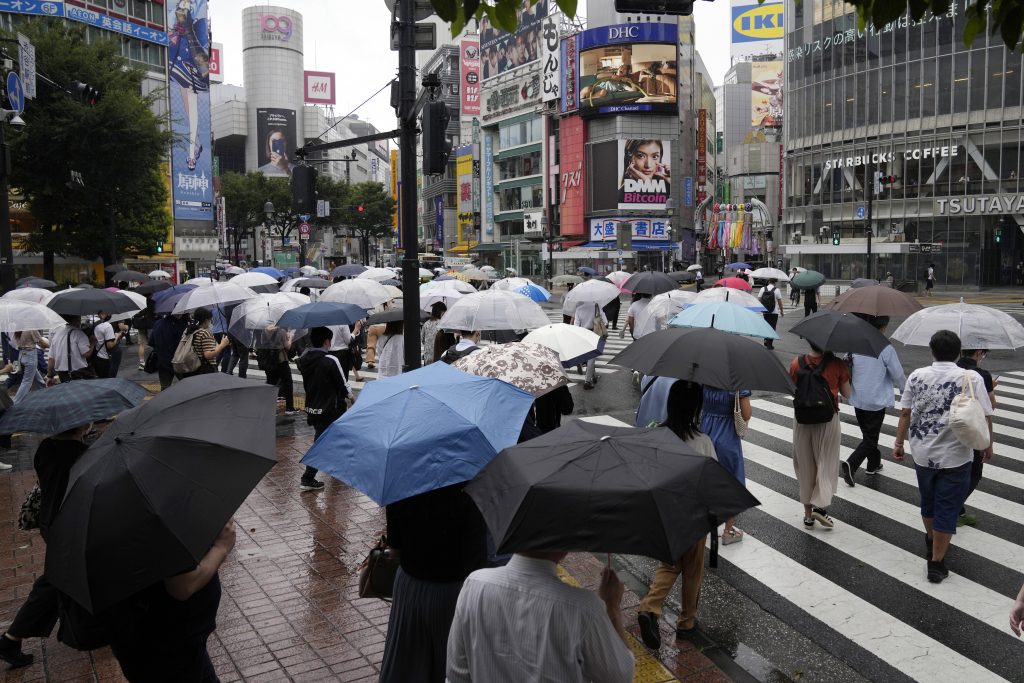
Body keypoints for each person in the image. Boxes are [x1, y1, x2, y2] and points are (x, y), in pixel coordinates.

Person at [893, 330, 992, 583]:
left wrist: (898, 443)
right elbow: (985, 414)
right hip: (957, 455)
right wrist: (988, 444)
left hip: (923, 452)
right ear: (958, 352)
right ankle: (936, 563)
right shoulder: (972, 377)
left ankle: (930, 538)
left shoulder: (917, 376)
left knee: (928, 502)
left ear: (932, 351)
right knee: (947, 507)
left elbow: (905, 412)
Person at [446, 551, 634, 682]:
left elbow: (456, 675)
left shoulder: (475, 584)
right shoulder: (584, 608)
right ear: (564, 549)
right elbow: (620, 676)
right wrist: (612, 608)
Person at [0, 422, 92, 669]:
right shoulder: (81, 454)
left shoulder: (45, 448)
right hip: (72, 525)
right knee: (54, 581)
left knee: (69, 576)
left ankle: (86, 627)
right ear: (82, 425)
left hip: (51, 521)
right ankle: (11, 639)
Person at [637, 380, 719, 650]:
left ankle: (650, 607)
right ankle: (687, 622)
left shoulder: (657, 436)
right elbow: (713, 480)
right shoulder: (703, 442)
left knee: (670, 564)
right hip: (693, 515)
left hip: (665, 513)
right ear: (696, 408)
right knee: (693, 568)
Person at [380, 483, 490, 683]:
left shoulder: (402, 489)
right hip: (451, 593)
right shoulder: (470, 497)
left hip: (409, 588)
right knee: (449, 662)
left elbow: (394, 551)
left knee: (406, 659)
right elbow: (477, 563)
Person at [106, 520, 235, 682]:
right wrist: (221, 547)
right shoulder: (160, 518)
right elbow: (183, 586)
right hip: (165, 649)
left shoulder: (147, 509)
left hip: (180, 642)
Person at [789, 341, 851, 529]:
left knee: (805, 465)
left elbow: (793, 389)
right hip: (827, 420)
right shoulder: (838, 364)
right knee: (825, 462)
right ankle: (820, 507)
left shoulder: (796, 363)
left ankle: (808, 515)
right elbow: (847, 394)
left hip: (802, 421)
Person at [841, 316, 906, 486]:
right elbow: (898, 373)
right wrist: (905, 391)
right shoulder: (885, 347)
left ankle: (873, 464)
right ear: (883, 326)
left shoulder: (855, 345)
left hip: (857, 398)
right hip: (875, 400)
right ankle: (852, 464)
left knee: (868, 434)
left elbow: (845, 364)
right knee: (870, 438)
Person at [296, 327, 351, 492]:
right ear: (327, 341)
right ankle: (308, 477)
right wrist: (351, 397)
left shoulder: (305, 359)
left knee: (330, 436)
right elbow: (342, 384)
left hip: (313, 407)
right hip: (329, 408)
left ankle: (337, 465)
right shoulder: (330, 360)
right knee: (320, 443)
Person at [701, 385, 751, 543]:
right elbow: (747, 413)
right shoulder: (736, 384)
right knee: (730, 482)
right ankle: (728, 531)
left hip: (706, 433)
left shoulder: (704, 381)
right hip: (727, 437)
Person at [955, 347, 996, 527]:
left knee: (955, 470)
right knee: (974, 473)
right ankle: (953, 509)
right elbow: (989, 408)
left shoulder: (953, 368)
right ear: (978, 353)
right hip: (973, 429)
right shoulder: (982, 375)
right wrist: (988, 443)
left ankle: (959, 511)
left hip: (952, 427)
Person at [168, 0, 210, 172]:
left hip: (193, 62)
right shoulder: (173, 11)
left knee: (191, 109)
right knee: (185, 105)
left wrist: (188, 22)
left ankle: (192, 152)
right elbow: (171, 27)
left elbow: (202, 38)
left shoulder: (198, 11)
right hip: (177, 59)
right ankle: (195, 145)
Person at [179, 307, 229, 379]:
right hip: (204, 369)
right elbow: (208, 355)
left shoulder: (188, 330)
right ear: (206, 320)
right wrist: (222, 345)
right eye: (210, 320)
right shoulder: (204, 333)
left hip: (191, 366)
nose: (210, 322)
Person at [46, 316, 94, 385]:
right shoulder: (79, 333)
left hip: (62, 375)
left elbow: (51, 359)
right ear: (77, 319)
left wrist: (50, 376)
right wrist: (92, 343)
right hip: (78, 374)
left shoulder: (56, 335)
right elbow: (86, 353)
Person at [572, 301, 607, 390]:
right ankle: (587, 381)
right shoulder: (597, 305)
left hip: (583, 334)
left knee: (589, 355)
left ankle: (594, 376)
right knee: (592, 357)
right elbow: (605, 322)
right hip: (595, 333)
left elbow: (576, 325)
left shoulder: (579, 308)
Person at [262, 325, 297, 414]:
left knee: (271, 384)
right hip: (281, 361)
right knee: (288, 383)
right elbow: (287, 346)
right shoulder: (281, 331)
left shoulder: (264, 331)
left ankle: (270, 408)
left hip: (269, 361)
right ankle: (289, 408)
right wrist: (290, 338)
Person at [151, 315, 188, 390]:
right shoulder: (182, 324)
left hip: (162, 361)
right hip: (179, 361)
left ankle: (165, 401)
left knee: (165, 388)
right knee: (187, 386)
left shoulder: (158, 324)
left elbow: (151, 342)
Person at [12, 329, 48, 404]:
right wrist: (51, 344)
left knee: (35, 375)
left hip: (21, 354)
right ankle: (15, 402)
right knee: (27, 381)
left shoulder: (18, 329)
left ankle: (43, 389)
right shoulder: (31, 328)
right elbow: (43, 343)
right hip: (30, 355)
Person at [93, 311, 129, 378]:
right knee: (110, 377)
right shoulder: (107, 325)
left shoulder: (93, 323)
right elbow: (110, 345)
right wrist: (117, 336)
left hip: (96, 355)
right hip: (106, 356)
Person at [758, 278, 784, 349]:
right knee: (772, 327)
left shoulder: (763, 289)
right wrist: (781, 311)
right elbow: (779, 302)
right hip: (774, 312)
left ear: (769, 282)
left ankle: (766, 339)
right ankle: (770, 344)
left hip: (765, 311)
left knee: (766, 326)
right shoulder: (777, 290)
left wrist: (761, 308)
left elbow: (759, 299)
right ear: (775, 283)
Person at [134, 299, 155, 371]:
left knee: (141, 344)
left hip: (141, 324)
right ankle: (155, 360)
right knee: (154, 343)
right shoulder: (152, 300)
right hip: (150, 324)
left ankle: (142, 362)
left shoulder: (139, 299)